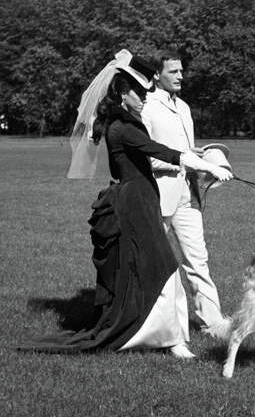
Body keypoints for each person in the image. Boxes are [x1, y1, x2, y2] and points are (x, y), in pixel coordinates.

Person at [21, 50, 232, 358]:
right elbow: (160, 150)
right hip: (134, 204)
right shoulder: (122, 127)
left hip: (143, 200)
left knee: (158, 269)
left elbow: (165, 149)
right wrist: (208, 167)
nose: (144, 96)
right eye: (138, 91)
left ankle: (170, 337)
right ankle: (169, 339)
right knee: (165, 268)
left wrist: (203, 160)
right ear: (122, 92)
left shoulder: (125, 122)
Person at [141, 50, 227, 332]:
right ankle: (142, 319)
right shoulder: (146, 106)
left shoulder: (186, 107)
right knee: (151, 262)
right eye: (173, 72)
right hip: (158, 193)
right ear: (157, 75)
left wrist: (200, 160)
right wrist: (182, 156)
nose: (180, 76)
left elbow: (184, 151)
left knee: (198, 259)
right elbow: (143, 154)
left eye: (181, 71)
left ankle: (213, 324)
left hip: (188, 194)